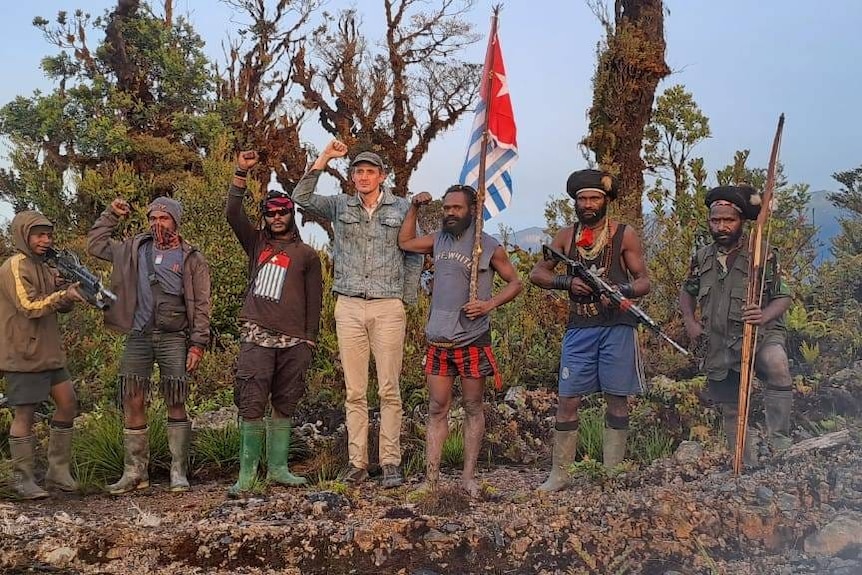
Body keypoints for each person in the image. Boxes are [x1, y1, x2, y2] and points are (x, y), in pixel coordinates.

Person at [293, 140, 421, 488]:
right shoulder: (339, 206)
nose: (364, 177)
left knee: (390, 389)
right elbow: (301, 198)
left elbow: (413, 254)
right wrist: (324, 158)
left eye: (370, 171)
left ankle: (391, 461)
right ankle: (357, 462)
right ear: (351, 177)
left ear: (382, 176)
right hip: (348, 303)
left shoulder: (402, 208)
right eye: (358, 171)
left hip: (387, 304)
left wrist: (404, 300)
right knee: (354, 390)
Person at [529, 169, 651, 492]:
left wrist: (620, 289)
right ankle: (560, 475)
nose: (588, 204)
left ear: (606, 200)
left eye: (594, 197)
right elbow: (537, 273)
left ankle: (612, 473)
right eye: (582, 198)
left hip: (617, 326)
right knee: (567, 399)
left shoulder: (624, 234)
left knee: (617, 398)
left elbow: (644, 281)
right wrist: (567, 282)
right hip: (580, 326)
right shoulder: (566, 236)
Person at [399, 185, 522, 497]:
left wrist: (488, 304)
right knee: (437, 407)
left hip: (472, 338)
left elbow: (515, 282)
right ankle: (431, 479)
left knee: (472, 406)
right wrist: (414, 208)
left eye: (457, 208)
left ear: (472, 210)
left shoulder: (488, 245)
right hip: (438, 338)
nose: (450, 213)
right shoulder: (438, 239)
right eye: (447, 208)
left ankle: (468, 477)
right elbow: (405, 242)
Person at [87, 196, 211, 494]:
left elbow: (203, 304)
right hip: (138, 335)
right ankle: (135, 473)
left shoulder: (191, 256)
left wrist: (198, 344)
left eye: (163, 218)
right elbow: (95, 245)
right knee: (133, 398)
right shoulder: (134, 249)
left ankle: (178, 472)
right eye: (153, 218)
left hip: (174, 336)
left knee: (176, 399)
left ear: (175, 221)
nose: (157, 223)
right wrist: (111, 214)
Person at [225, 151, 323, 496]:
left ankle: (278, 469)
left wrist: (310, 341)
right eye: (271, 213)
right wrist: (241, 173)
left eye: (283, 212)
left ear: (291, 216)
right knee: (251, 399)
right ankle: (247, 475)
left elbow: (316, 301)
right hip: (256, 332)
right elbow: (232, 213)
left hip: (295, 340)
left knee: (285, 401)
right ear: (264, 217)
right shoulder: (256, 243)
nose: (277, 217)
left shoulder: (307, 255)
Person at [679, 185, 793, 465]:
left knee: (777, 364)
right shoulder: (702, 256)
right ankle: (742, 461)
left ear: (740, 220)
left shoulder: (761, 253)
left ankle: (780, 443)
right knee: (731, 406)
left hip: (760, 333)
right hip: (720, 339)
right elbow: (687, 291)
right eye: (715, 220)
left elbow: (783, 295)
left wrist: (763, 315)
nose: (721, 226)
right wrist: (690, 321)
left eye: (728, 220)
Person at [0, 211, 85, 499]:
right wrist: (63, 295)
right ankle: (22, 479)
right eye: (39, 235)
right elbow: (28, 306)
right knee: (24, 413)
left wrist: (68, 291)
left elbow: (58, 306)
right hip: (23, 353)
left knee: (68, 402)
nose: (45, 240)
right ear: (24, 236)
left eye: (48, 235)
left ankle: (57, 472)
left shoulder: (47, 266)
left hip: (49, 351)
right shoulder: (14, 266)